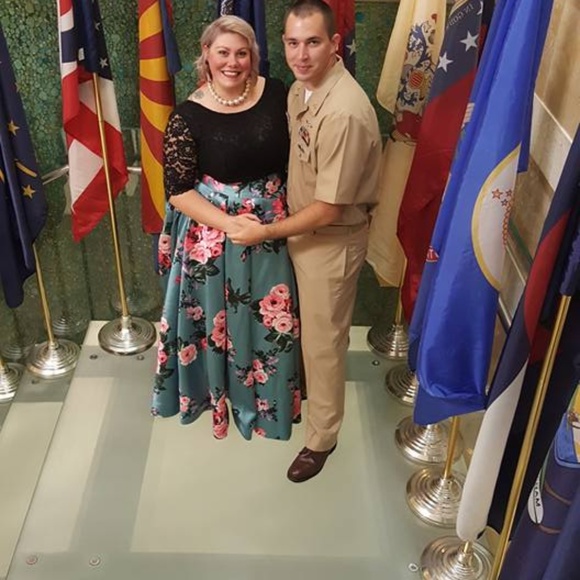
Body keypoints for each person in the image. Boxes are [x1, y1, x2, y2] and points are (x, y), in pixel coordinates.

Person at [229, 0, 382, 482]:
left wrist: (264, 231)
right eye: (293, 43)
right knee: (297, 332)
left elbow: (330, 207)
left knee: (323, 344)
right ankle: (302, 396)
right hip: (295, 229)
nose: (300, 54)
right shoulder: (301, 88)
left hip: (329, 241)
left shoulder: (344, 112)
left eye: (313, 42)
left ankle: (322, 438)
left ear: (335, 44)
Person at [151, 15, 302, 442]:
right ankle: (219, 401)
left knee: (272, 325)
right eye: (223, 52)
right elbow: (179, 192)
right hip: (213, 241)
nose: (232, 62)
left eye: (241, 53)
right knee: (217, 326)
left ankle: (270, 410)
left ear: (253, 55)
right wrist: (231, 223)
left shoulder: (277, 93)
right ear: (206, 55)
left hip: (273, 233)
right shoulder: (187, 116)